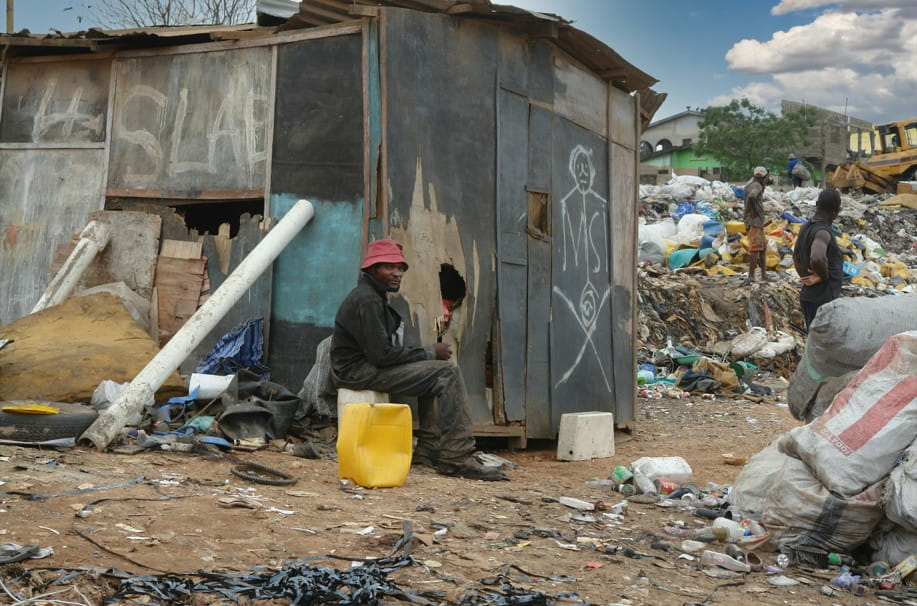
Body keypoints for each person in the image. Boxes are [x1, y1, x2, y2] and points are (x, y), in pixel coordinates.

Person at [330, 239, 508, 481]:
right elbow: (381, 355)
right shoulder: (367, 300)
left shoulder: (372, 296)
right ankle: (457, 456)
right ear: (372, 269)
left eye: (400, 268)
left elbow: (383, 353)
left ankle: (429, 450)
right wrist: (429, 352)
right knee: (446, 373)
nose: (397, 273)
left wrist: (426, 357)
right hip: (359, 372)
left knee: (435, 373)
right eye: (389, 267)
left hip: (363, 367)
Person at [793, 188, 843, 329]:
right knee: (825, 345)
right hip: (823, 301)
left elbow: (796, 257)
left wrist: (806, 276)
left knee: (814, 341)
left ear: (817, 204)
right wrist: (822, 277)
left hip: (808, 297)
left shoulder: (805, 227)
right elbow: (817, 257)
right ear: (836, 211)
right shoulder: (823, 232)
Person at [743, 166, 770, 284]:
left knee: (762, 248)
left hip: (756, 221)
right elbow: (752, 196)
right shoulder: (756, 185)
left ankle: (764, 276)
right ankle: (751, 276)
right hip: (754, 221)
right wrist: (753, 210)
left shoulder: (752, 182)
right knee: (755, 249)